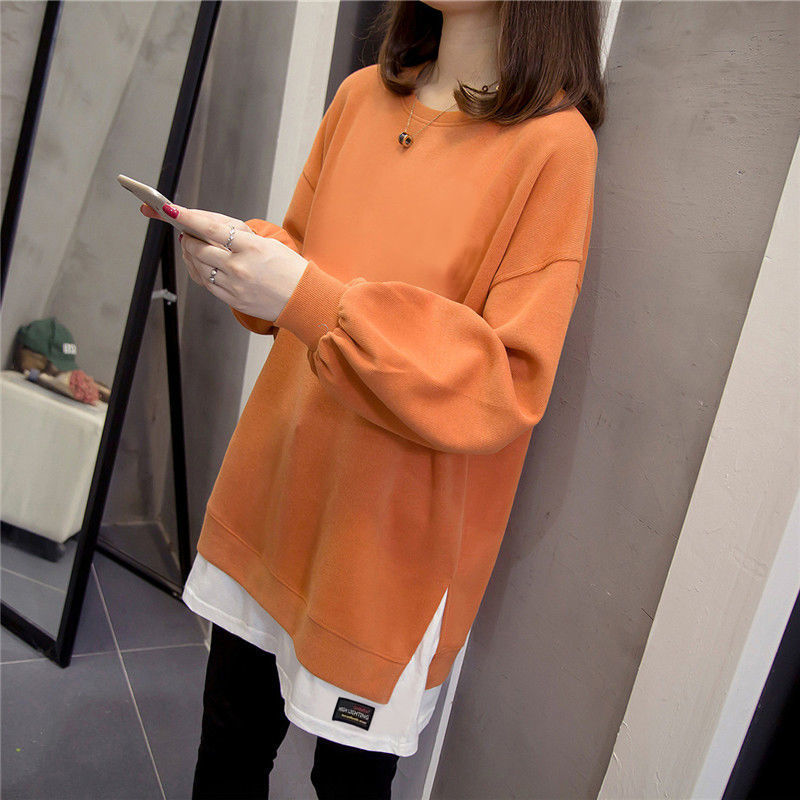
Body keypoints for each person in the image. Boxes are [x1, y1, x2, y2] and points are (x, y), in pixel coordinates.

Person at [141, 1, 606, 797]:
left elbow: (504, 382)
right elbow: (306, 257)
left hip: (386, 547)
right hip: (277, 486)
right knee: (227, 746)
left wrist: (308, 297)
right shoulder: (361, 96)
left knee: (349, 784)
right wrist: (247, 258)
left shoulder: (554, 147)